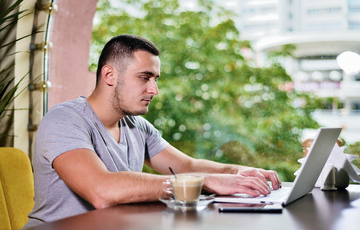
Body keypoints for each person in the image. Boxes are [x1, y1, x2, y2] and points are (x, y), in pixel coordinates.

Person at [25, 34, 281, 227]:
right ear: (110, 75)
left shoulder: (136, 125)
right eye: (144, 78)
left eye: (155, 80)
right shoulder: (64, 119)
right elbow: (102, 191)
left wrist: (239, 172)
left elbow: (188, 166)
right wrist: (201, 183)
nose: (154, 90)